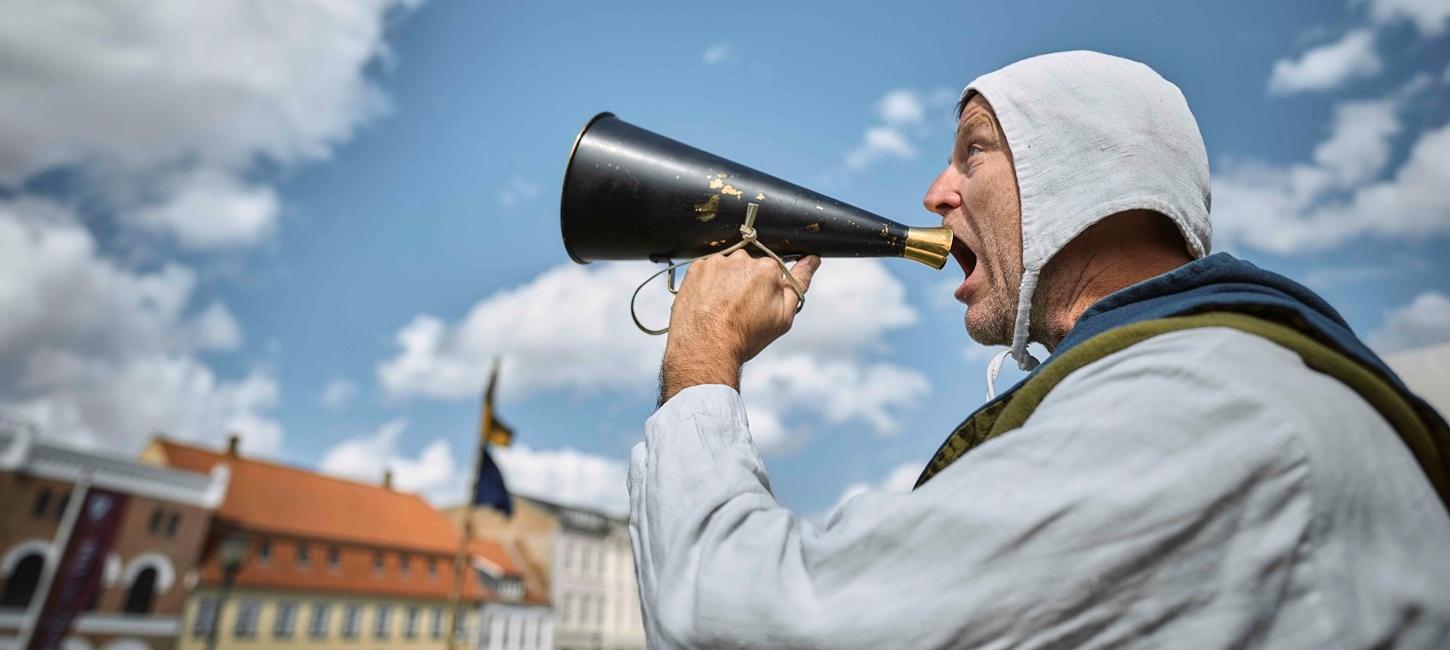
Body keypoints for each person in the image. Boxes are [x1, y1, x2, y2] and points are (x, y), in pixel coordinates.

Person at [628, 51, 1450, 648]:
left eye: (975, 149)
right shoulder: (1220, 377)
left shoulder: (1199, 400)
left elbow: (749, 621)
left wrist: (704, 356)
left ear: (1087, 175)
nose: (936, 193)